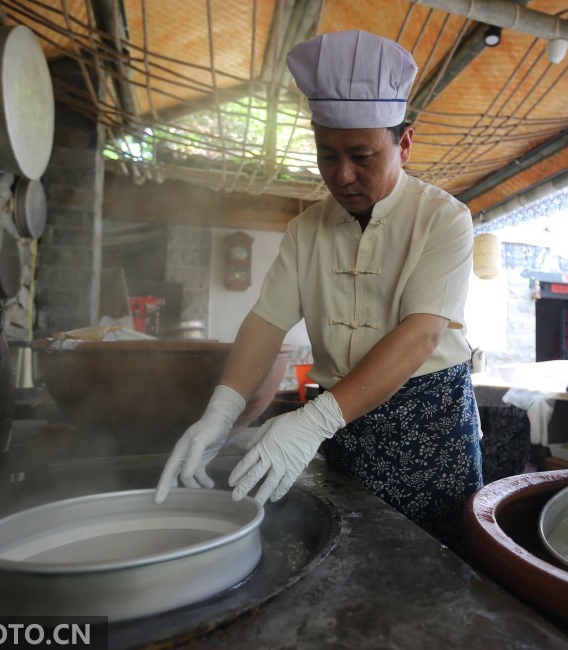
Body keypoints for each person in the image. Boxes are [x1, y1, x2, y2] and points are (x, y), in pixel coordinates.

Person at [154, 30, 482, 554]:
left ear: (405, 143)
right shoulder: (306, 230)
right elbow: (266, 321)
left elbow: (422, 334)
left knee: (432, 565)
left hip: (428, 426)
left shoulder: (444, 219)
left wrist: (315, 422)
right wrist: (221, 410)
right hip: (341, 426)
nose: (343, 175)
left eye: (362, 155)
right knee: (350, 556)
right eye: (326, 155)